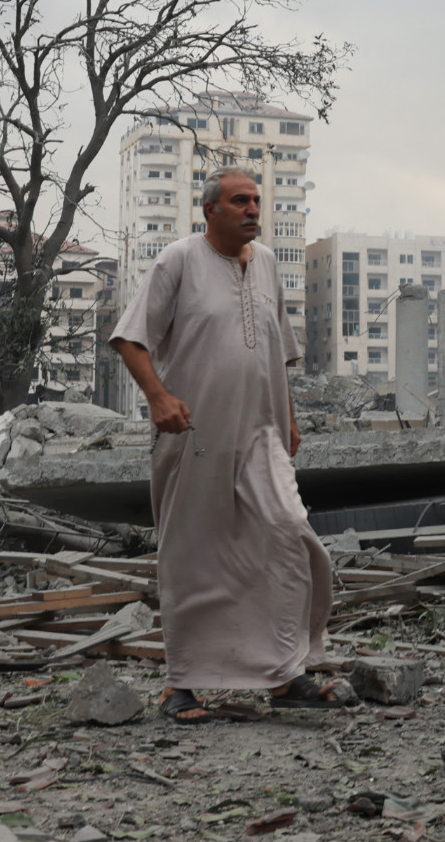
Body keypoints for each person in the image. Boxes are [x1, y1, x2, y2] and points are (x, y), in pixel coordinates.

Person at [111, 168, 339, 723]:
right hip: (194, 434)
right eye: (240, 201)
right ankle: (182, 684)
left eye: (256, 200)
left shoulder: (265, 263)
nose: (252, 210)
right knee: (194, 554)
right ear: (210, 209)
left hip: (261, 434)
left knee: (290, 536)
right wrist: (159, 398)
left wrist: (287, 419)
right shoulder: (179, 260)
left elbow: (278, 353)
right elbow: (129, 338)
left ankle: (286, 674)